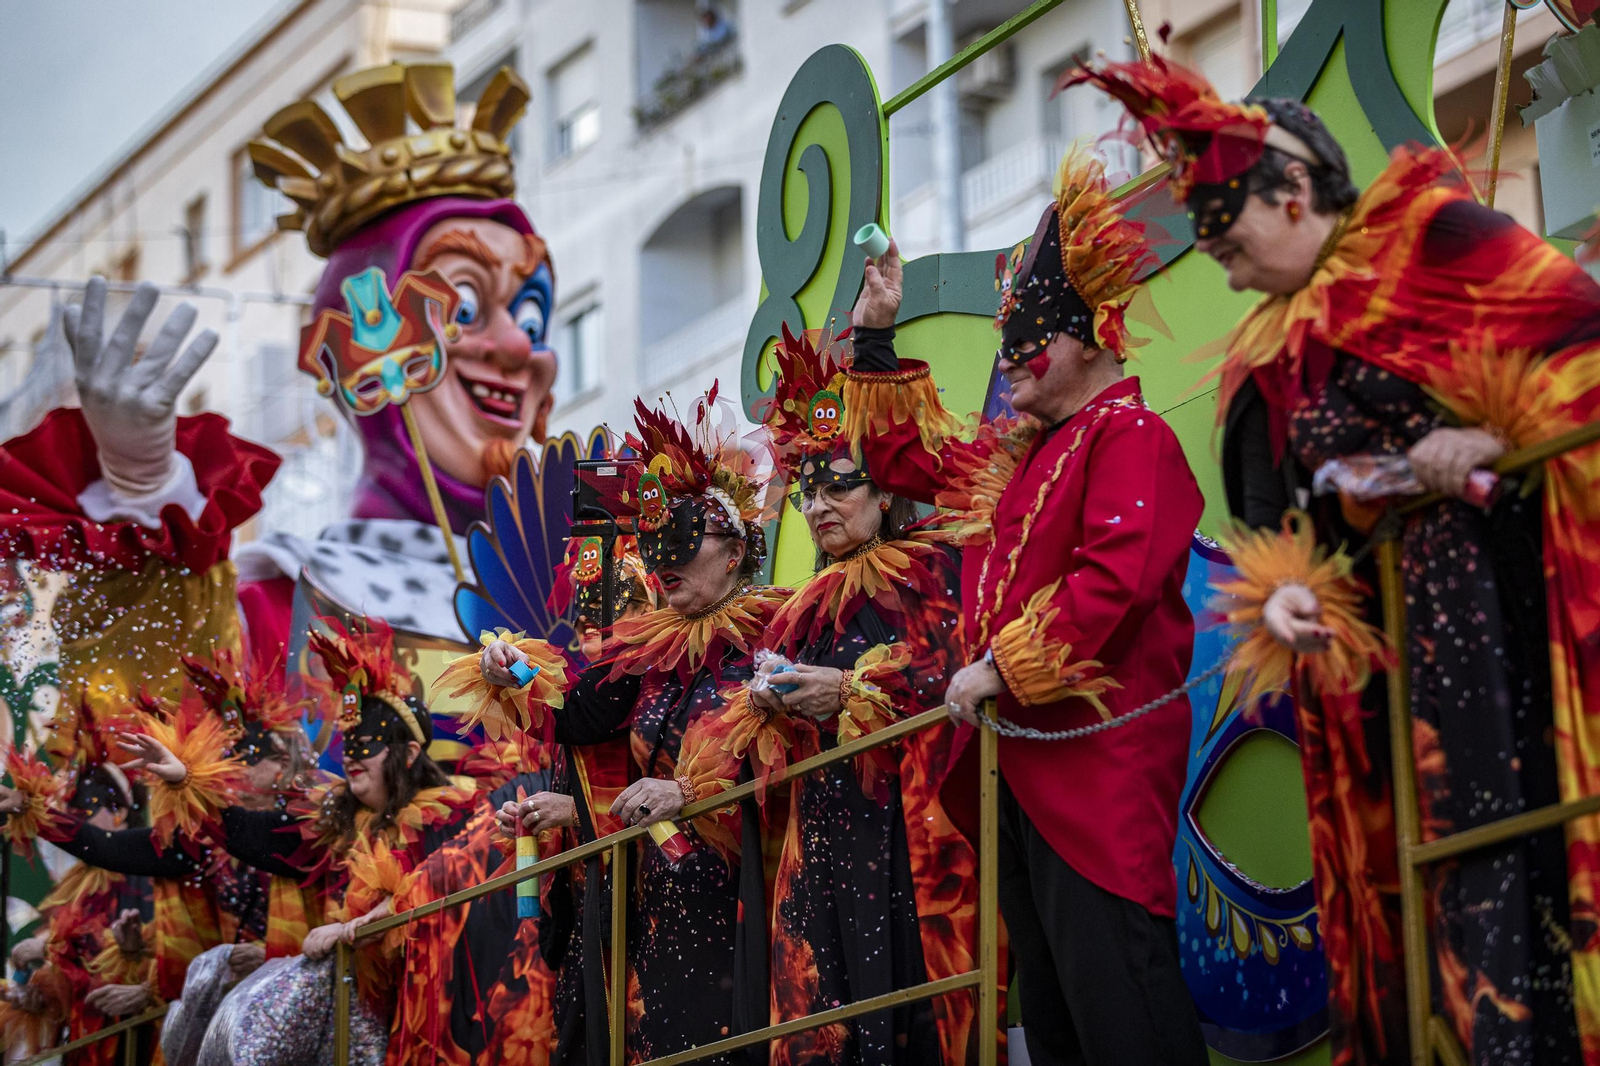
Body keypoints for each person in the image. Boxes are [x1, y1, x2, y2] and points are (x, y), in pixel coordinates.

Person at [1064, 51, 1600, 1065]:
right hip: (1372, 680)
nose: (1223, 269)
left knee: (1522, 866)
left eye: (1228, 241)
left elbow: (1581, 349)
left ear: (1294, 193)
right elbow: (1275, 531)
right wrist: (1279, 596)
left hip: (1507, 636)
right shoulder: (1265, 358)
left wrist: (1496, 432)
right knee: (1411, 901)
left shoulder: (1442, 243)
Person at [842, 151, 1209, 1065]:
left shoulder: (1132, 436)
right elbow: (904, 460)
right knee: (1054, 1021)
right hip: (1021, 780)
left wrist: (1002, 666)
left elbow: (1115, 578)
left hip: (1097, 780)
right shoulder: (1021, 457)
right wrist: (875, 338)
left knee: (1122, 1006)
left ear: (1088, 338)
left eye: (1029, 336)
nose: (1008, 357)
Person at [675, 325, 978, 1063]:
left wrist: (847, 690)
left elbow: (952, 678)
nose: (816, 506)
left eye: (838, 484)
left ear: (885, 488)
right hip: (821, 843)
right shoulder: (801, 606)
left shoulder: (937, 567)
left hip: (910, 836)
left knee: (912, 1022)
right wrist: (767, 709)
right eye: (806, 492)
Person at [484, 385, 789, 1065]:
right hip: (659, 911)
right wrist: (511, 671)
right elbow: (579, 713)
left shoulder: (777, 632)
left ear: (735, 550)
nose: (662, 560)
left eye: (681, 539)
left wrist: (690, 793)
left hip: (744, 907)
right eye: (653, 544)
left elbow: (785, 760)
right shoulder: (653, 653)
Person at [115, 617, 480, 1066]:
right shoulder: (333, 823)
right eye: (348, 744)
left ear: (408, 754)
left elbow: (440, 887)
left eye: (366, 745)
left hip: (437, 1003)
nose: (351, 757)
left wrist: (356, 926)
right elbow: (251, 835)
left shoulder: (450, 817)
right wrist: (185, 778)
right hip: (357, 1024)